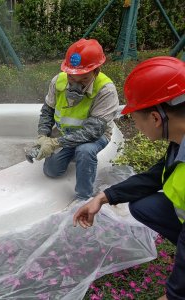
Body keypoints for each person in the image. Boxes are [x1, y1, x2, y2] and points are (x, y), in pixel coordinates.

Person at [73, 56, 185, 300]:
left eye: (135, 119)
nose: (136, 126)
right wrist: (103, 197)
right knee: (144, 206)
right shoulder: (180, 140)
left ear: (156, 118)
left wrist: (174, 294)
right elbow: (156, 175)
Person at [33, 38, 119, 201]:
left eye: (84, 79)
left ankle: (84, 197)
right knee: (51, 171)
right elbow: (47, 111)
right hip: (66, 133)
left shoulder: (106, 90)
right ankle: (72, 154)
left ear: (96, 71)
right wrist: (43, 136)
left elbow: (92, 132)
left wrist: (55, 144)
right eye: (72, 77)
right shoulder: (58, 81)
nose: (76, 83)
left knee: (84, 151)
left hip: (96, 135)